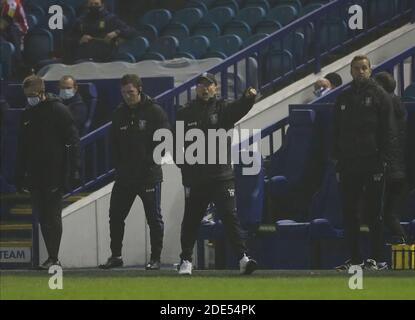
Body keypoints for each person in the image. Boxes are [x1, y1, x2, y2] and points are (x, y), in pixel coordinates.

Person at [174, 72, 258, 275]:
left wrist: (248, 98)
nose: (205, 88)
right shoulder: (185, 113)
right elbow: (177, 146)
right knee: (191, 219)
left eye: (208, 85)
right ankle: (186, 260)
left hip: (222, 176)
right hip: (197, 179)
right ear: (196, 89)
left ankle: (243, 259)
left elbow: (239, 108)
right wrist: (186, 169)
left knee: (230, 217)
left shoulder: (223, 108)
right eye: (201, 85)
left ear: (216, 88)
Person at [331, 55, 397, 271]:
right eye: (356, 68)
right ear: (350, 71)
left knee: (373, 213)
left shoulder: (380, 96)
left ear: (370, 70)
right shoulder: (343, 97)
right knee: (350, 213)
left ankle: (377, 259)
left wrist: (383, 161)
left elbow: (388, 132)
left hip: (373, 164)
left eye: (364, 68)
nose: (360, 72)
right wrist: (337, 161)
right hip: (349, 164)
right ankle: (355, 259)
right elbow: (335, 132)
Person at [99, 74, 170, 270]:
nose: (127, 96)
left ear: (139, 89)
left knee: (154, 219)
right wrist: (119, 166)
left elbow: (164, 141)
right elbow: (113, 143)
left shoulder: (155, 112)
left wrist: (148, 163)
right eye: (123, 93)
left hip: (148, 176)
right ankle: (116, 256)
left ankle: (155, 258)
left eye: (130, 92)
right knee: (115, 216)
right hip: (125, 177)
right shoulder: (118, 113)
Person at [15, 75, 81, 269]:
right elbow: (22, 147)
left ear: (42, 92)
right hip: (35, 174)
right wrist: (19, 175)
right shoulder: (27, 114)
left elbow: (73, 141)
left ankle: (54, 256)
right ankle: (52, 256)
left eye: (32, 94)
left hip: (55, 171)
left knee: (52, 215)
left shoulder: (58, 110)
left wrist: (73, 170)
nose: (30, 98)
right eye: (27, 95)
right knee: (42, 216)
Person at [373, 71, 408, 244]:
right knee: (389, 213)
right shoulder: (399, 107)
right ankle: (402, 245)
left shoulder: (384, 107)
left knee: (381, 213)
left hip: (386, 168)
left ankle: (380, 253)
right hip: (399, 169)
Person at [69, 0, 137, 62]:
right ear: (87, 5)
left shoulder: (110, 19)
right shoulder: (81, 20)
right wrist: (79, 40)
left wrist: (116, 32)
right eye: (91, 4)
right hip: (84, 58)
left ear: (102, 5)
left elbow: (132, 32)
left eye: (96, 4)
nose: (93, 6)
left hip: (106, 58)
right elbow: (69, 39)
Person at [0, 0, 28, 73]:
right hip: (5, 28)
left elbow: (6, 21)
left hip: (18, 28)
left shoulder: (12, 3)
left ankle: (18, 63)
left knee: (13, 29)